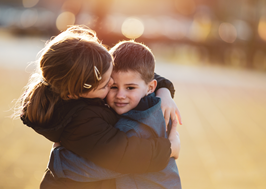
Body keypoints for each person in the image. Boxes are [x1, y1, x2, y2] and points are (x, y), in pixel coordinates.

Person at [16, 26, 180, 188]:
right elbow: (124, 155)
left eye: (110, 77)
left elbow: (135, 72)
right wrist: (170, 149)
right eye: (108, 86)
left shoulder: (86, 88)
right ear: (75, 93)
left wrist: (164, 90)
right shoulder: (82, 121)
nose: (112, 84)